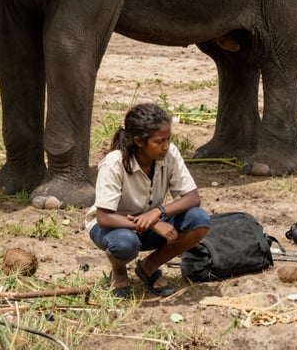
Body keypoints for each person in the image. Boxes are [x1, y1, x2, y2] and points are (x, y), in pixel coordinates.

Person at [85, 102, 210, 299]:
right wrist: (152, 224)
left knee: (199, 220)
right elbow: (104, 217)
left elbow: (193, 198)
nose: (166, 146)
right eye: (160, 141)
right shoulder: (114, 163)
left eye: (168, 139)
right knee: (124, 244)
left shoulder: (170, 154)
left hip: (151, 220)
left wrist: (158, 212)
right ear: (139, 141)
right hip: (114, 227)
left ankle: (149, 267)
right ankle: (118, 270)